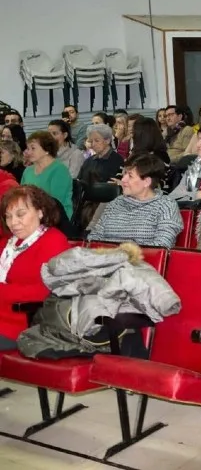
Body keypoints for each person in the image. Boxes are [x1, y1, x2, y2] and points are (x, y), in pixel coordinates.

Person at [0, 186, 71, 347]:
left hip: (22, 324)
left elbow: (44, 292)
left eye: (20, 214)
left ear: (40, 212)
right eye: (8, 217)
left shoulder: (54, 241)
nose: (13, 223)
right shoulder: (7, 243)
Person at [88, 154, 183, 248]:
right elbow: (93, 238)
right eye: (124, 173)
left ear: (146, 182)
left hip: (140, 260)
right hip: (105, 259)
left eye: (130, 176)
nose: (123, 179)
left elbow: (162, 246)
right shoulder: (115, 203)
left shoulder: (166, 206)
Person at [21, 132, 74, 219]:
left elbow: (56, 202)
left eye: (33, 148)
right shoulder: (28, 171)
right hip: (32, 215)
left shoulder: (59, 170)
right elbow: (21, 195)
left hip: (56, 216)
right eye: (28, 148)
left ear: (47, 150)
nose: (28, 152)